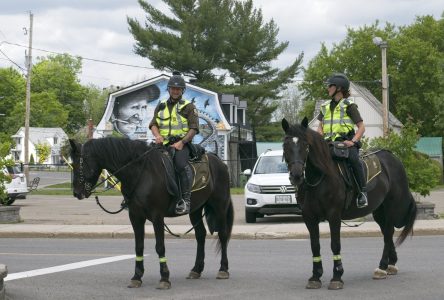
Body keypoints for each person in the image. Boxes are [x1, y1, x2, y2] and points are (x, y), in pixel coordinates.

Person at [149, 72, 199, 215]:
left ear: (182, 91)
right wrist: (157, 135)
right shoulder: (161, 105)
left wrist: (182, 142)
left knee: (180, 165)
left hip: (181, 145)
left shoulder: (189, 107)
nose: (175, 91)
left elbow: (194, 128)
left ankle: (186, 200)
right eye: (173, 88)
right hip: (162, 144)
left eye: (178, 89)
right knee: (144, 160)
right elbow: (153, 124)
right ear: (169, 89)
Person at [317, 73, 368, 208]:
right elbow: (320, 127)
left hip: (346, 143)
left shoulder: (349, 106)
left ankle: (362, 193)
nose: (327, 88)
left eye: (330, 86)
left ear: (339, 88)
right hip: (328, 144)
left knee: (354, 161)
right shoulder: (325, 106)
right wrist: (320, 138)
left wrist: (353, 141)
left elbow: (361, 127)